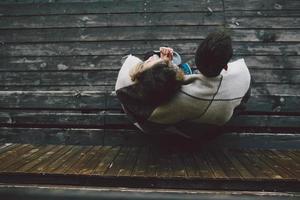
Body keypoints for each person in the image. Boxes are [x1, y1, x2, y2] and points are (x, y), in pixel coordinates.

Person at [147, 31, 251, 138]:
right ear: (225, 66)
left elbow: (153, 118)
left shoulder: (182, 96)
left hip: (194, 132)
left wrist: (156, 59)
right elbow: (245, 98)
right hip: (219, 122)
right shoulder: (243, 73)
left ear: (196, 59)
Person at [115, 47, 185, 133]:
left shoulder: (124, 86)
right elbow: (173, 80)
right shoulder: (179, 98)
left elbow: (149, 72)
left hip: (142, 121)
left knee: (150, 54)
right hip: (162, 127)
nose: (151, 58)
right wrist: (170, 63)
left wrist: (160, 60)